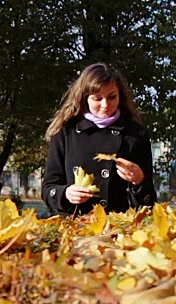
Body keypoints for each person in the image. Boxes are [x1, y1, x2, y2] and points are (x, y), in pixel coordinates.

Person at [42, 63, 157, 217]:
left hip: (119, 229)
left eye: (112, 97)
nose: (105, 105)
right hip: (75, 229)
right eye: (97, 98)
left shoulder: (136, 134)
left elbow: (148, 202)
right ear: (85, 98)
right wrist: (66, 194)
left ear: (120, 95)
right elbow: (48, 188)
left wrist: (139, 181)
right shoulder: (66, 132)